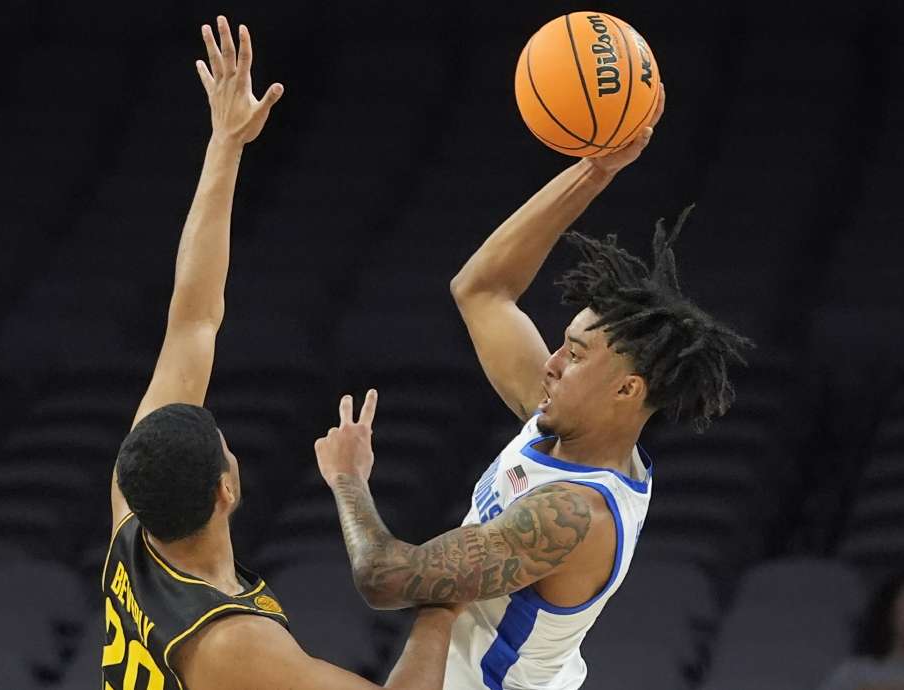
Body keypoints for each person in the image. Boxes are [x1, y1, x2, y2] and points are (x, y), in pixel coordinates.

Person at [314, 86, 754, 690]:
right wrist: (594, 171)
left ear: (627, 390)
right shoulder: (563, 421)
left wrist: (347, 479)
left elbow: (385, 577)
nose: (549, 363)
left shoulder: (573, 511)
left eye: (573, 354)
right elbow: (481, 290)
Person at [102, 16, 459, 690]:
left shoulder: (134, 521)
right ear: (225, 490)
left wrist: (225, 144)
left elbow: (194, 320)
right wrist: (443, 599)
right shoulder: (233, 643)